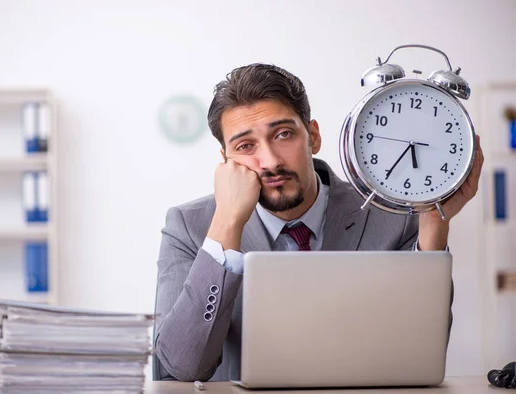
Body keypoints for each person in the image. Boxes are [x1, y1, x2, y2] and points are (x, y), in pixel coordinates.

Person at [153, 63, 484, 382]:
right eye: (245, 146)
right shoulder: (189, 227)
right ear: (225, 161)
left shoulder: (396, 217)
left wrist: (434, 226)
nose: (269, 161)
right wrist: (226, 221)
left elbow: (421, 355)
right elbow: (183, 367)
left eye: (283, 134)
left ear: (313, 136)